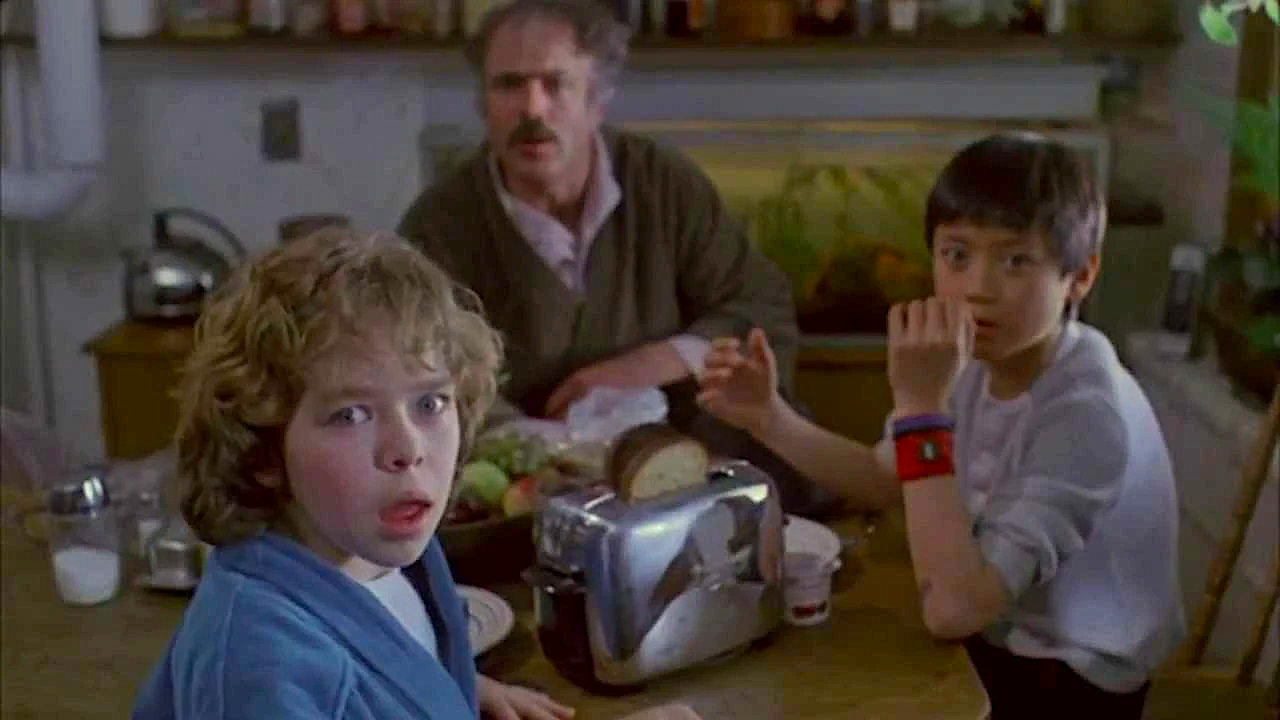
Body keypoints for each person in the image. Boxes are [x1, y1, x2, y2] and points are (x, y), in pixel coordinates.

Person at [695, 134, 1186, 719]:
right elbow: (888, 477)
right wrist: (770, 419)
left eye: (1016, 260)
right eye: (957, 255)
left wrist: (921, 408)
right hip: (993, 627)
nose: (978, 287)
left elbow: (953, 610)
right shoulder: (977, 358)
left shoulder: (1086, 412)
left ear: (1080, 277)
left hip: (1073, 676)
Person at [131, 228, 702, 720]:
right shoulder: (258, 669)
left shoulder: (377, 548)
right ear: (262, 453)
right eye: (350, 415)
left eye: (430, 404)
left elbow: (382, 655)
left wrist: (450, 692)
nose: (408, 450)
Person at [396, 0, 833, 516]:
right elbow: (424, 375)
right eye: (509, 85)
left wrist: (651, 364)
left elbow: (760, 304)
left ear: (596, 101)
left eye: (556, 84)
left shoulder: (663, 182)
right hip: (535, 498)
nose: (532, 109)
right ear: (484, 102)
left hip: (695, 467)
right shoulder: (441, 222)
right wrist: (556, 452)